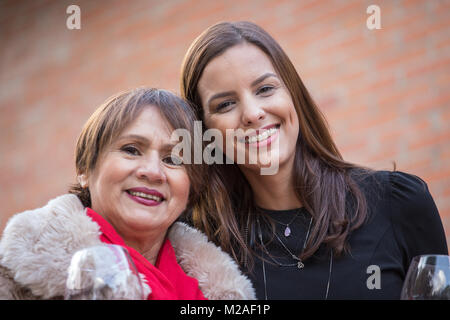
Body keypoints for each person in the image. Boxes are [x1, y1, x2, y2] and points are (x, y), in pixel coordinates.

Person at [180, 21, 448, 299]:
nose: (252, 113)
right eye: (225, 104)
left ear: (293, 93)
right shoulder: (197, 247)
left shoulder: (400, 204)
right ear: (204, 132)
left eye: (265, 89)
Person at [0, 87, 255, 300]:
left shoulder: (217, 291)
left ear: (192, 188)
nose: (153, 172)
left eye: (173, 159)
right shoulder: (11, 281)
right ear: (84, 170)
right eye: (132, 150)